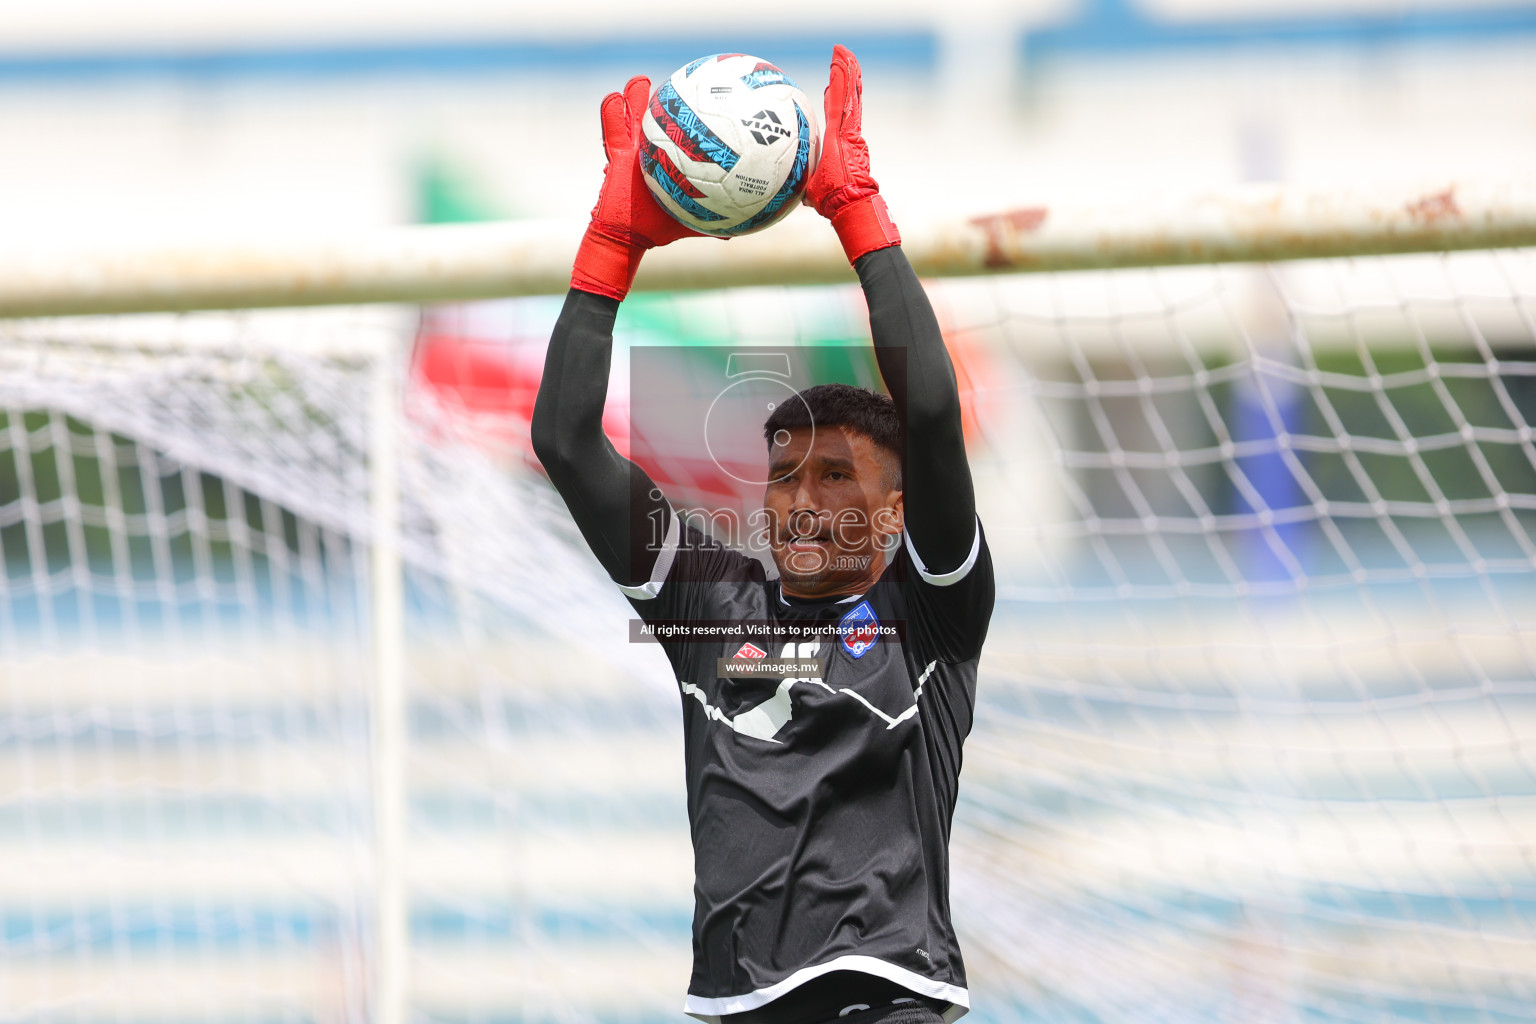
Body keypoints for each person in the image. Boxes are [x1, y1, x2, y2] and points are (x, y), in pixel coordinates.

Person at [531, 45, 994, 1024]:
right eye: (784, 477)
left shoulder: (932, 606)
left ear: (897, 511)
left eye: (837, 475)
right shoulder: (710, 601)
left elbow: (933, 413)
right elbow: (565, 441)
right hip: (733, 1006)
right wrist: (612, 245)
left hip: (888, 999)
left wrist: (858, 214)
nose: (804, 500)